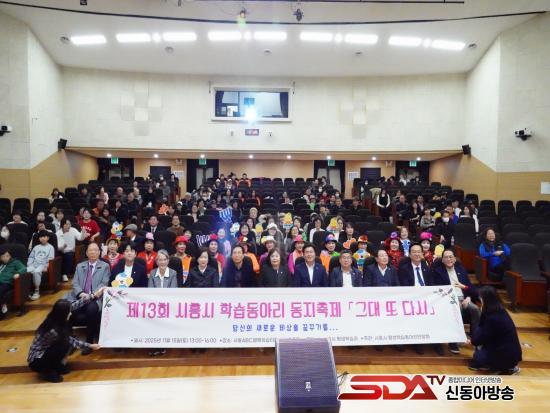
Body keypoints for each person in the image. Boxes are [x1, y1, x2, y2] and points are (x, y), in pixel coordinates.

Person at [27, 289, 104, 382]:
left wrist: (94, 295)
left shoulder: (57, 317)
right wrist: (90, 345)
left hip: (46, 352)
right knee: (64, 343)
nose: (70, 313)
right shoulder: (53, 330)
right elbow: (71, 341)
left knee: (64, 343)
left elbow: (77, 304)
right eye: (69, 312)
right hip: (37, 360)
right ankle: (48, 371)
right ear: (63, 314)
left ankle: (56, 365)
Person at [431, 249, 481, 355]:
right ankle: (453, 340)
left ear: (454, 259)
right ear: (442, 260)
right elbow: (436, 289)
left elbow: (469, 286)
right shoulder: (438, 271)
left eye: (451, 257)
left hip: (464, 298)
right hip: (448, 300)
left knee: (475, 309)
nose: (448, 259)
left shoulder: (461, 269)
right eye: (446, 257)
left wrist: (468, 297)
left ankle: (475, 338)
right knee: (457, 309)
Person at [65, 242, 110, 353]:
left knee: (92, 309)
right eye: (90, 250)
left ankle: (89, 342)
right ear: (86, 253)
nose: (93, 252)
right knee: (65, 308)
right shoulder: (80, 266)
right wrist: (81, 294)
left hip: (95, 298)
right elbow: (75, 283)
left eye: (95, 250)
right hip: (79, 297)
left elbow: (104, 283)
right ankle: (69, 342)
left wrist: (91, 295)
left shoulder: (105, 266)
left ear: (99, 252)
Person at [468, 286, 522, 375]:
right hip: (512, 353)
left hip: (503, 355)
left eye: (479, 300)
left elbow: (477, 340)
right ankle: (508, 367)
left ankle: (504, 368)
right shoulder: (502, 311)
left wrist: (471, 341)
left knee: (478, 357)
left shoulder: (490, 317)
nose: (478, 303)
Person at [148, 250, 178, 357]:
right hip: (154, 304)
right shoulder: (152, 273)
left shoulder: (173, 273)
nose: (162, 262)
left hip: (168, 304)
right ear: (156, 262)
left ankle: (162, 345)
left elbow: (173, 291)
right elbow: (150, 290)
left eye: (165, 259)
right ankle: (154, 345)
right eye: (160, 260)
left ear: (168, 261)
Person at [27, 230, 55, 300]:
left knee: (36, 272)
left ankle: (36, 291)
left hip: (43, 265)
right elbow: (31, 257)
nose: (42, 238)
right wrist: (29, 265)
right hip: (34, 264)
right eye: (41, 237)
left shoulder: (50, 247)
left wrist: (46, 267)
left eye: (44, 237)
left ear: (48, 238)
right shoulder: (36, 247)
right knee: (25, 271)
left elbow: (50, 258)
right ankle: (26, 292)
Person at [0, 246, 27, 319]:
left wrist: (18, 273)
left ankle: (2, 312)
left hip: (6, 283)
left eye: (7, 256)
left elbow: (24, 268)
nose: (6, 258)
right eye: (3, 256)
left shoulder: (15, 262)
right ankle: (3, 306)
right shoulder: (1, 264)